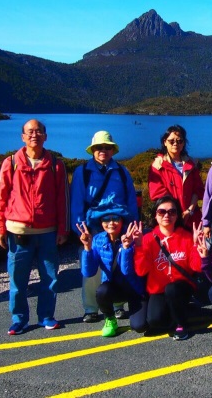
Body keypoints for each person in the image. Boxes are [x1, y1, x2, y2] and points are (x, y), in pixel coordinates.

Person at [0, 119, 69, 335]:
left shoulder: (56, 165)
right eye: (30, 132)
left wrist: (63, 229)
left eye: (38, 131)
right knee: (18, 279)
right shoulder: (11, 163)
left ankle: (46, 316)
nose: (34, 135)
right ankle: (19, 319)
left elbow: (63, 199)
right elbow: (0, 198)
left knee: (50, 278)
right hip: (18, 231)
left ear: (45, 136)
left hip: (47, 232)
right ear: (23, 137)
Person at [71, 130, 139, 323]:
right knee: (91, 268)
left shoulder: (122, 172)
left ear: (113, 150)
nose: (103, 150)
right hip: (92, 227)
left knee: (117, 266)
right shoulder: (82, 172)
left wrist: (132, 226)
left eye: (107, 147)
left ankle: (117, 305)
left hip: (118, 226)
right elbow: (77, 203)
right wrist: (80, 230)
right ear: (93, 150)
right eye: (99, 147)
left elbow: (131, 201)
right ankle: (91, 308)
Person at [134, 196, 203, 341]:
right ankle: (183, 310)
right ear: (155, 215)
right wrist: (139, 247)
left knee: (172, 289)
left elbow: (196, 267)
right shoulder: (147, 239)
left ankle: (181, 324)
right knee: (155, 320)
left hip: (181, 288)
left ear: (177, 215)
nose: (167, 215)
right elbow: (141, 271)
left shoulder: (186, 236)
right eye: (162, 212)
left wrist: (197, 245)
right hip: (159, 289)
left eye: (172, 212)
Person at [77, 205, 146, 338]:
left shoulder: (132, 237)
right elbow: (89, 272)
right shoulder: (98, 240)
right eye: (106, 219)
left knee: (139, 326)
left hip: (134, 289)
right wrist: (87, 248)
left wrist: (126, 247)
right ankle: (110, 318)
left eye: (115, 218)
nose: (111, 223)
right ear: (101, 222)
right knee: (102, 291)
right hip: (113, 288)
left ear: (122, 220)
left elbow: (127, 271)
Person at [148, 125, 205, 228]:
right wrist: (176, 213)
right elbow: (157, 193)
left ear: (183, 143)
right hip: (169, 219)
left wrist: (189, 211)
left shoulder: (192, 164)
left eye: (179, 141)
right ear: (165, 142)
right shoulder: (158, 166)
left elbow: (198, 190)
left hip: (192, 219)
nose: (175, 144)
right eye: (171, 141)